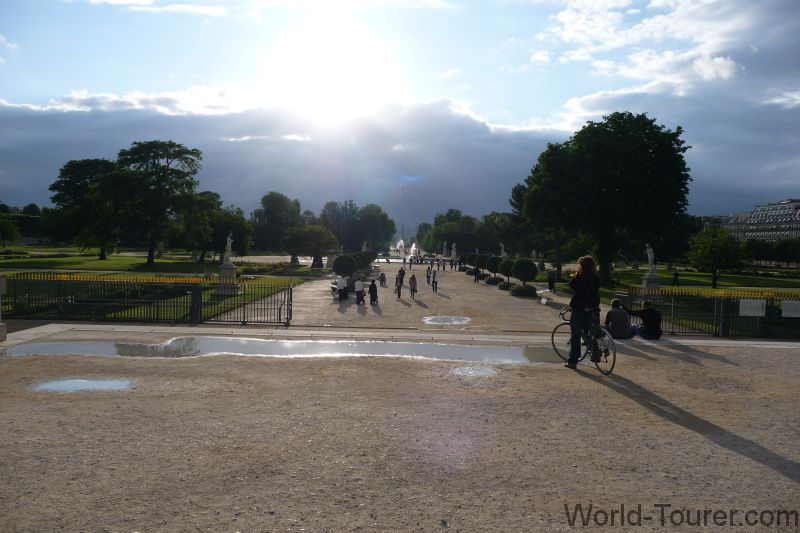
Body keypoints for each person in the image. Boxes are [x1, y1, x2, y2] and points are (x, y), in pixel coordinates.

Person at [566, 255, 601, 369]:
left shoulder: (579, 276)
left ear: (581, 265)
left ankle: (573, 360)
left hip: (579, 307)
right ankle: (595, 353)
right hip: (593, 307)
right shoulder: (596, 277)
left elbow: (572, 285)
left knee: (575, 335)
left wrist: (576, 274)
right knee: (590, 331)